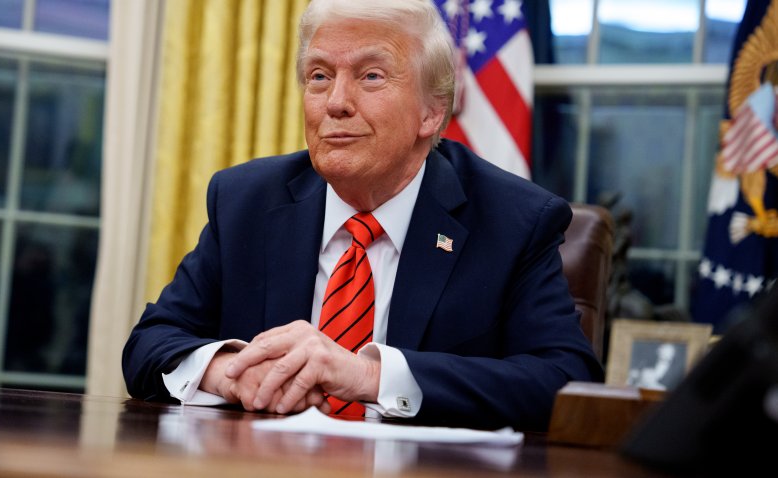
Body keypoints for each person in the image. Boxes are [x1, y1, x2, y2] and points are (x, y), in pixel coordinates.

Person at [122, 0, 604, 431]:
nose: (335, 103)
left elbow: (566, 383)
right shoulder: (246, 201)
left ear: (432, 112)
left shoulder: (513, 220)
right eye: (319, 76)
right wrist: (231, 372)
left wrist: (367, 375)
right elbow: (150, 344)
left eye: (371, 76)